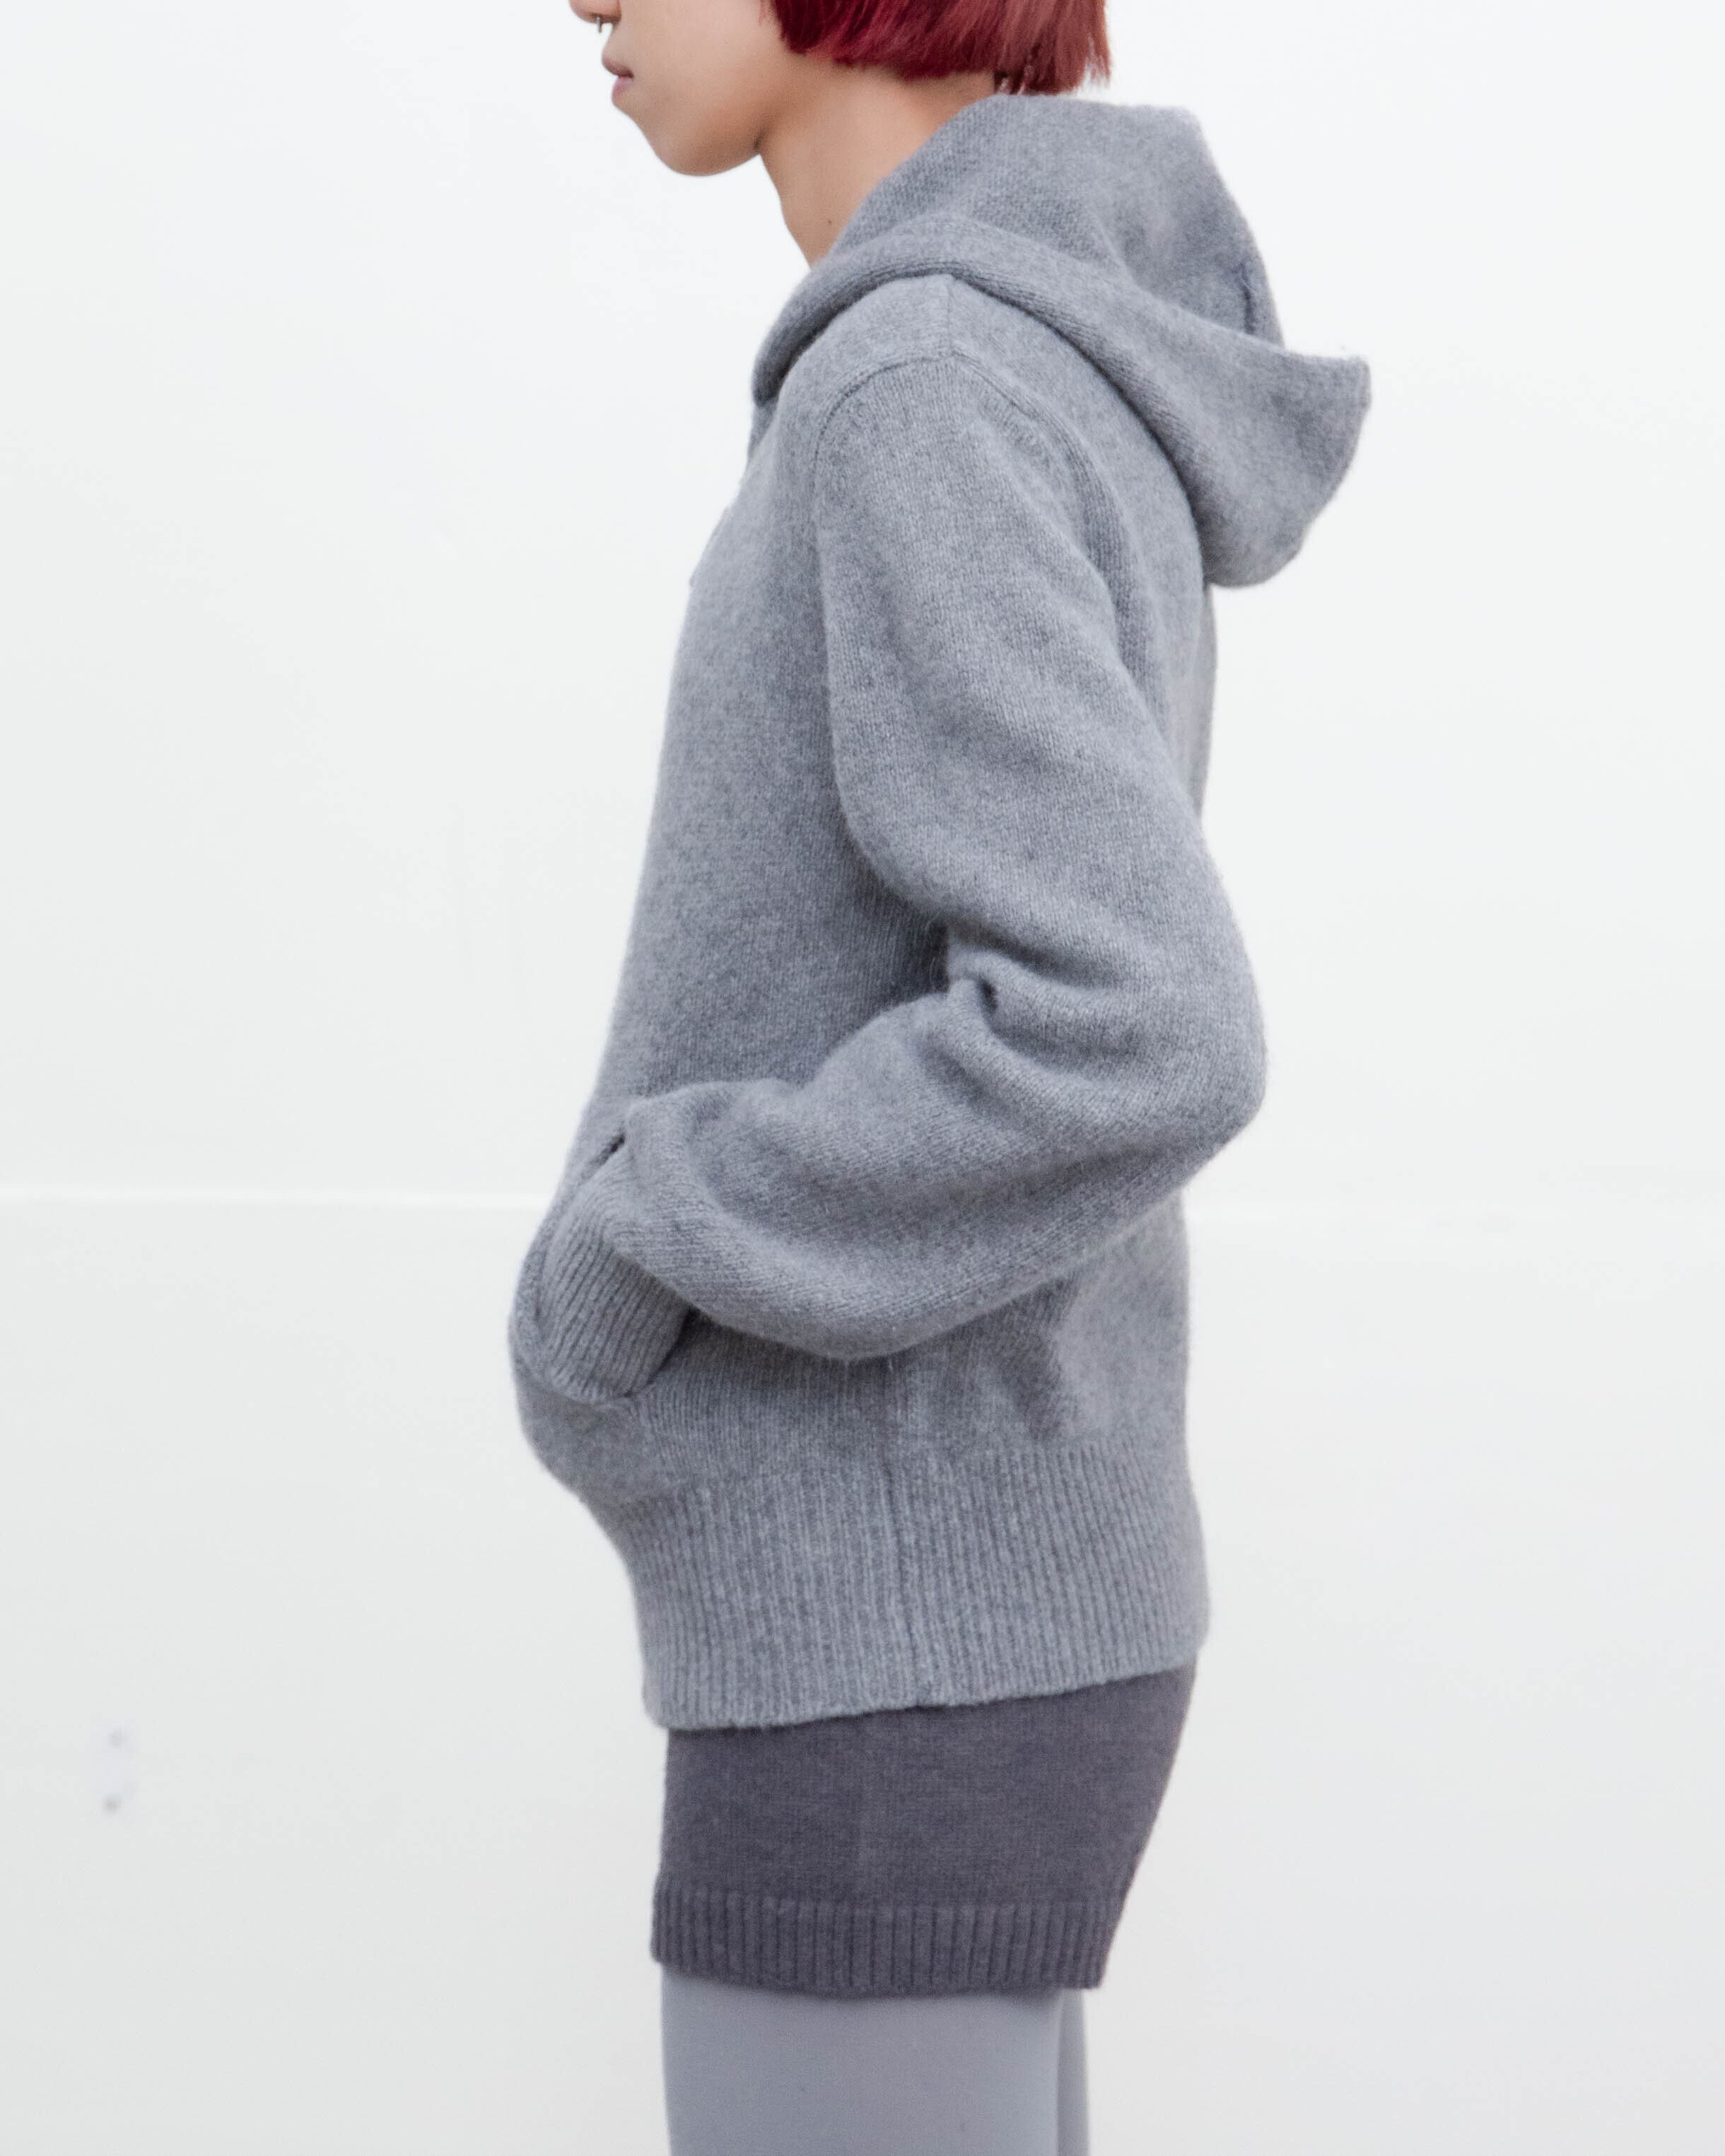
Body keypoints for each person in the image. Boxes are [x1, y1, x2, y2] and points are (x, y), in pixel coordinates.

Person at [509, 0, 1369, 2146]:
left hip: (896, 1616)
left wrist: (653, 1219)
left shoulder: (919, 384)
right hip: (962, 1586)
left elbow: (1141, 1022)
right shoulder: (1003, 351)